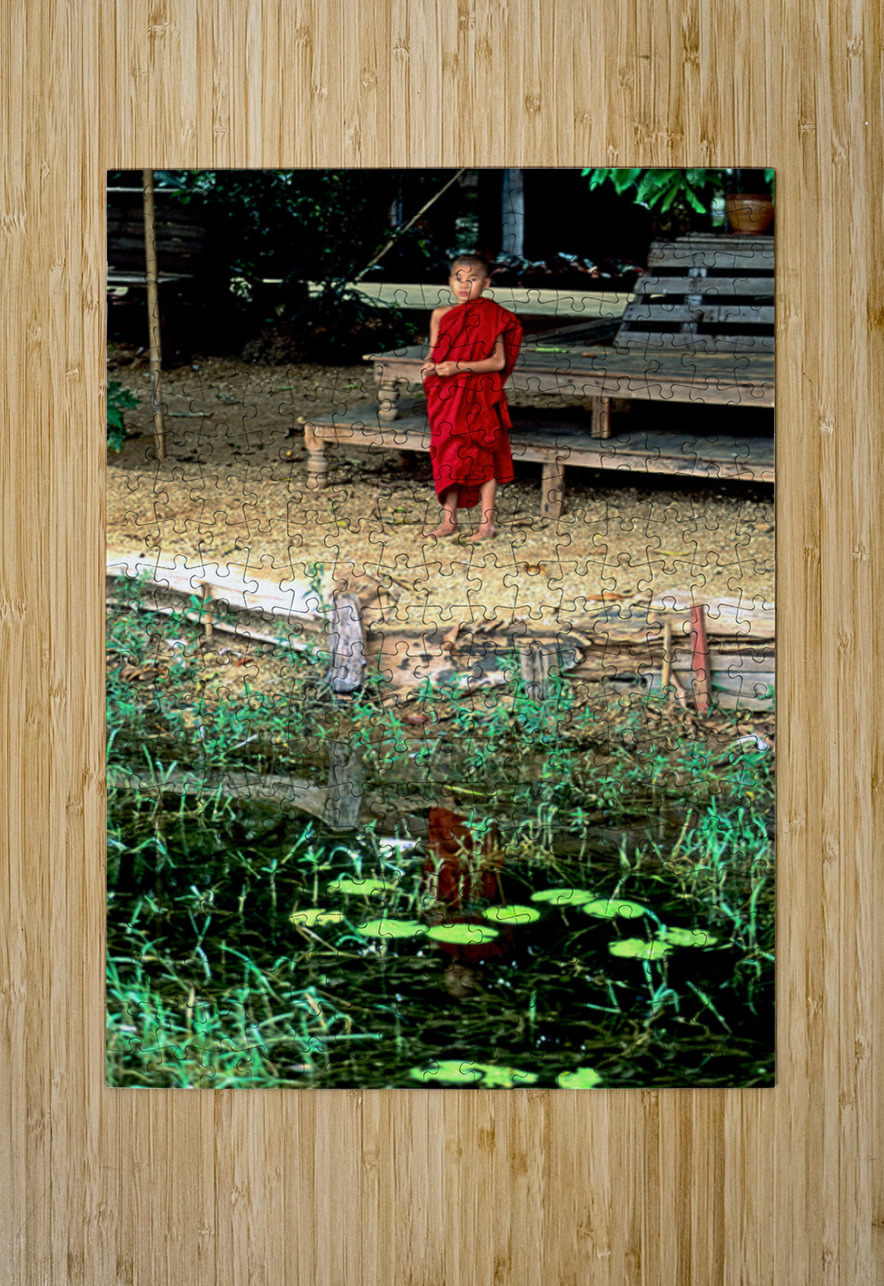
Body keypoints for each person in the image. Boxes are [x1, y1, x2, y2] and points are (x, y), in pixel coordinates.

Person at [420, 254, 522, 541]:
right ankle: (448, 522)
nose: (464, 285)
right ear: (449, 281)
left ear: (486, 283)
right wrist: (430, 366)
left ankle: (486, 525)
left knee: (483, 455)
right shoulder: (440, 315)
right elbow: (434, 353)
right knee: (447, 455)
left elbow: (498, 362)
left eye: (472, 279)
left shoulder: (492, 316)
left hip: (478, 396)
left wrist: (458, 367)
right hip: (447, 397)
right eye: (459, 279)